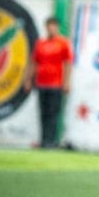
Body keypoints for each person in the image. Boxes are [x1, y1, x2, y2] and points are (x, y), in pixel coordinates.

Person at [25, 15, 73, 149]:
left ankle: (51, 141)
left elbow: (68, 63)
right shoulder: (41, 43)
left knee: (53, 113)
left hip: (56, 84)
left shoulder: (63, 43)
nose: (51, 28)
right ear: (46, 27)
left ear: (57, 27)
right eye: (49, 26)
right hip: (41, 83)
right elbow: (34, 63)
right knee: (43, 113)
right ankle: (44, 140)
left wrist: (67, 82)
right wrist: (28, 80)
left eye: (53, 26)